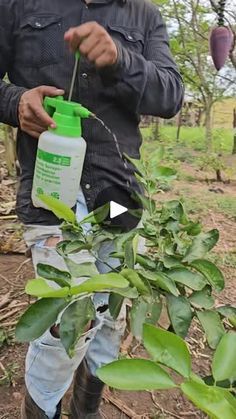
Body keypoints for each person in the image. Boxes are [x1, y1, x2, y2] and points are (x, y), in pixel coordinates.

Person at [0, 0, 184, 418]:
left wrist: (121, 59)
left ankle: (87, 407)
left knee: (111, 306)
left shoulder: (144, 17)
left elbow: (171, 95)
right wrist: (15, 101)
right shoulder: (18, 5)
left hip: (118, 196)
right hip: (51, 196)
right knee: (72, 314)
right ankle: (42, 410)